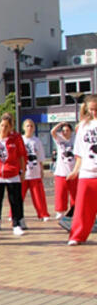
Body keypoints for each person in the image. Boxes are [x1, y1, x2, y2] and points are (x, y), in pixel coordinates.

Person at [0, 113, 27, 237]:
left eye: (6, 126)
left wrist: (22, 171)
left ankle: (16, 224)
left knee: (14, 201)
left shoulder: (16, 139)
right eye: (2, 125)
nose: (4, 128)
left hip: (12, 173)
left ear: (10, 127)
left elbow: (21, 156)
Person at [68, 95, 97, 245]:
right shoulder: (83, 127)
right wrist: (75, 170)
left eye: (96, 109)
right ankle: (77, 236)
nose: (94, 112)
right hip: (87, 172)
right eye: (91, 109)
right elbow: (79, 153)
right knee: (82, 208)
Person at [21, 119, 51, 221]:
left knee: (39, 196)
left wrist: (42, 170)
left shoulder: (37, 141)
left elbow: (40, 157)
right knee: (19, 196)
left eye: (31, 126)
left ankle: (43, 214)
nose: (29, 128)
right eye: (27, 126)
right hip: (23, 173)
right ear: (23, 127)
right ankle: (14, 215)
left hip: (35, 172)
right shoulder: (20, 140)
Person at [50, 122, 76, 219]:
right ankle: (60, 211)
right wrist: (60, 124)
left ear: (71, 131)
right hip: (61, 171)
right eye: (63, 131)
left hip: (73, 171)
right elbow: (52, 131)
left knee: (75, 193)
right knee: (61, 193)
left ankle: (74, 210)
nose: (65, 132)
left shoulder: (75, 139)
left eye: (67, 130)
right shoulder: (59, 139)